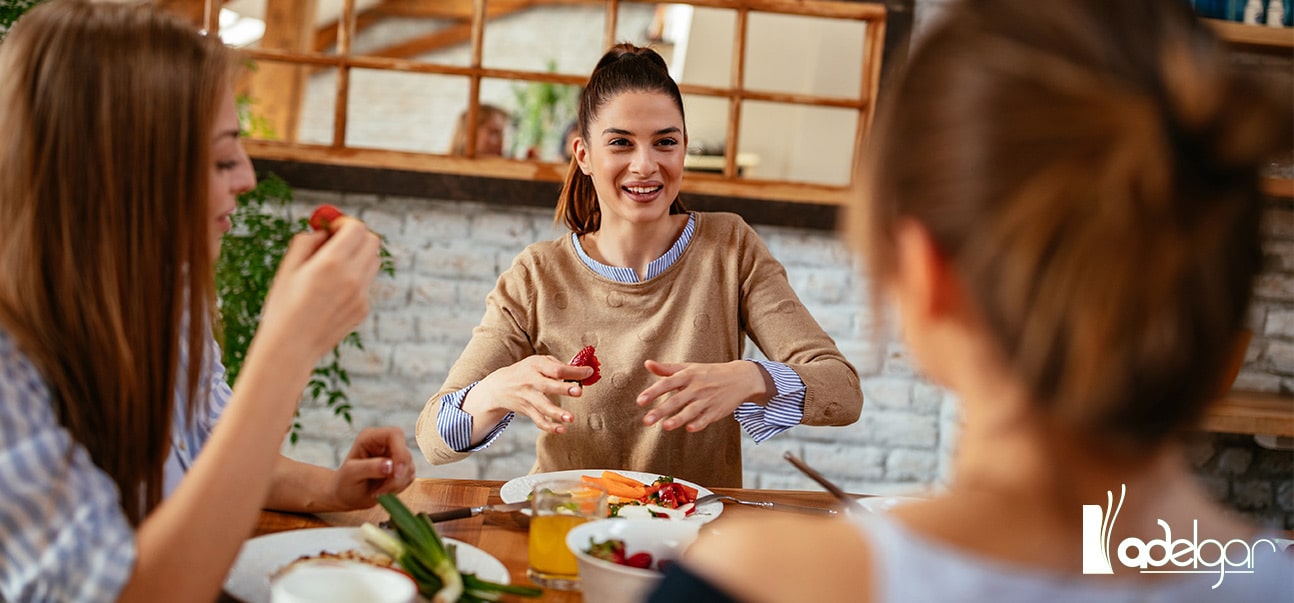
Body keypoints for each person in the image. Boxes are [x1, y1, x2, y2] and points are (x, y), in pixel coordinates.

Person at [648, 0, 1294, 601]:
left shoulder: (759, 581)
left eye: (665, 142)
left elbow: (834, 385)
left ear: (926, 275)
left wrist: (755, 378)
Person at [0, 1, 413, 600]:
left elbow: (217, 457)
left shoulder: (166, 302)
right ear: (122, 174)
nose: (246, 178)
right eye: (222, 158)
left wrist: (331, 488)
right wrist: (289, 344)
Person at [415, 43, 863, 488]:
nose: (645, 165)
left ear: (684, 148)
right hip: (569, 527)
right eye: (620, 144)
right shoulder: (536, 275)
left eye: (665, 142)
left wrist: (753, 377)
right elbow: (433, 438)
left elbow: (842, 390)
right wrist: (493, 392)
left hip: (693, 536)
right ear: (584, 155)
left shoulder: (731, 247)